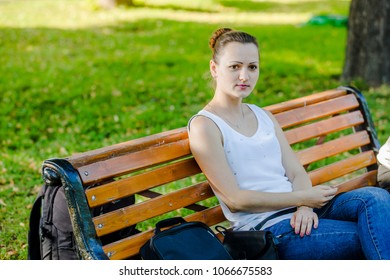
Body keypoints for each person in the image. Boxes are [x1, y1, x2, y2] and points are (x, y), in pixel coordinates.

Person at [187, 27, 390, 260]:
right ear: (214, 69)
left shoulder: (263, 116)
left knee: (376, 198)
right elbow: (236, 200)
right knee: (372, 233)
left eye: (252, 67)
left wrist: (305, 207)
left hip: (303, 212)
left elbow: (296, 173)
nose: (245, 76)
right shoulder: (205, 126)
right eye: (235, 67)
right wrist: (302, 199)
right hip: (268, 230)